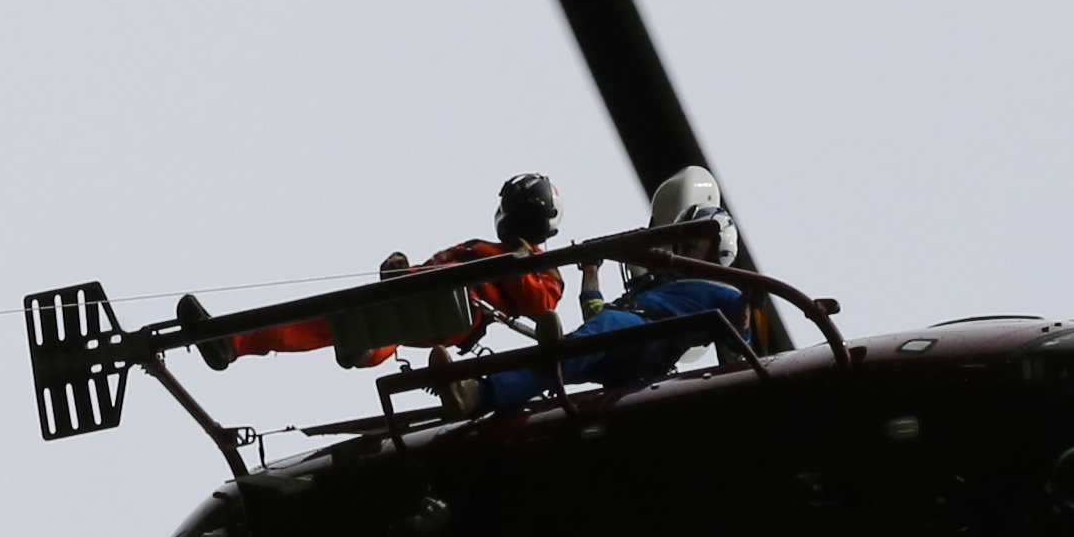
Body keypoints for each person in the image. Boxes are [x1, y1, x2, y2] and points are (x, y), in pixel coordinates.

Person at [182, 172, 575, 373]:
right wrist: (400, 271)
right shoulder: (477, 249)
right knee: (332, 318)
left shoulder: (539, 267)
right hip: (426, 301)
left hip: (457, 313)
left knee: (375, 324)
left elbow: (540, 307)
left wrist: (519, 262)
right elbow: (431, 273)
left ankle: (235, 343)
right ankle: (232, 342)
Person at [471, 169, 752, 408]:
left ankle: (490, 388)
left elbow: (735, 358)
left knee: (566, 354)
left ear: (719, 249)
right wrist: (591, 271)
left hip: (649, 341)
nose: (685, 247)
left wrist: (743, 321)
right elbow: (597, 316)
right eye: (684, 239)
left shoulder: (726, 294)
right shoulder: (649, 287)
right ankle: (476, 394)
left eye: (695, 241)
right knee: (557, 366)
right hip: (626, 343)